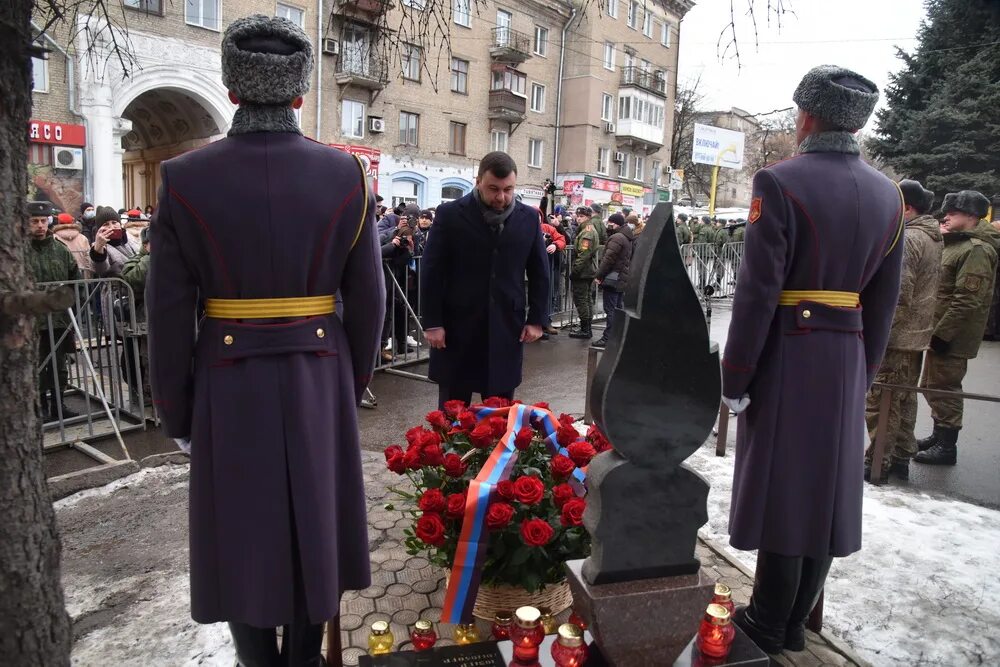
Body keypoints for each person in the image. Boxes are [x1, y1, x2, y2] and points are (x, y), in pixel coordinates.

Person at [146, 15, 384, 667]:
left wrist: (177, 409)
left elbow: (167, 315)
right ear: (301, 94)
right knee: (315, 528)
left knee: (239, 537)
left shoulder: (182, 178)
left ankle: (255, 658)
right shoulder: (347, 175)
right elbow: (369, 301)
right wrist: (349, 380)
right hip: (319, 377)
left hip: (227, 383)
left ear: (232, 90)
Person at [720, 65, 904, 655]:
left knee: (784, 486)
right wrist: (863, 371)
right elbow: (883, 302)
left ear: (806, 116)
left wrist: (737, 374)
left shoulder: (779, 181)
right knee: (823, 490)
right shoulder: (888, 195)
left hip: (787, 355)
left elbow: (756, 293)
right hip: (847, 355)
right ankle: (795, 621)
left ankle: (769, 621)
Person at [420, 151, 549, 407]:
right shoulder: (450, 214)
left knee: (499, 416)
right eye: (493, 189)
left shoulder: (528, 219)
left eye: (508, 189)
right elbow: (432, 270)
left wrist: (537, 319)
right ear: (478, 181)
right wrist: (432, 322)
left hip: (505, 327)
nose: (501, 197)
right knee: (452, 416)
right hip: (457, 329)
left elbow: (540, 272)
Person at [862, 180, 942, 482]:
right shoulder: (931, 236)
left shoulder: (908, 238)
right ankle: (900, 458)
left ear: (906, 208)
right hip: (916, 335)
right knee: (904, 399)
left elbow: (898, 292)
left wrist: (877, 331)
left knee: (881, 399)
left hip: (895, 336)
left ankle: (877, 461)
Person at [914, 190, 999, 466]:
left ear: (972, 216)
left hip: (951, 336)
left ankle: (947, 447)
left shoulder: (976, 250)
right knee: (931, 385)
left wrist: (942, 334)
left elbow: (968, 299)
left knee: (945, 388)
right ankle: (940, 436)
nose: (946, 216)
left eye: (953, 212)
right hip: (940, 330)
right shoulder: (957, 244)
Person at [27, 202, 82, 420]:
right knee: (37, 366)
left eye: (43, 221)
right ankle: (39, 406)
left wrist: (75, 310)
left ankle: (59, 405)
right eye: (34, 221)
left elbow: (75, 281)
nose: (40, 226)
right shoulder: (18, 252)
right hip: (31, 322)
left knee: (59, 366)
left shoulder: (61, 250)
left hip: (59, 320)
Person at [593, 212, 633, 348]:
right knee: (617, 309)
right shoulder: (627, 236)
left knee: (610, 310)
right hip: (621, 278)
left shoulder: (617, 237)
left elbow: (608, 259)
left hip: (612, 278)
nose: (608, 225)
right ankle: (617, 337)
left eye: (609, 223)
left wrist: (598, 275)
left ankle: (608, 338)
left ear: (615, 223)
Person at [568, 206, 601, 340]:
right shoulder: (587, 229)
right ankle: (586, 327)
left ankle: (585, 329)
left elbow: (584, 253)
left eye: (582, 216)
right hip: (587, 270)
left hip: (583, 271)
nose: (578, 218)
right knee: (586, 299)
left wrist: (575, 270)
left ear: (588, 217)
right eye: (578, 215)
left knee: (582, 299)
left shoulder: (587, 231)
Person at [539, 211, 567, 338]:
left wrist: (555, 245)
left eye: (539, 216)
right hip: (530, 267)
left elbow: (562, 239)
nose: (537, 218)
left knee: (548, 294)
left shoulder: (547, 228)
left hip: (547, 266)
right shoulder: (524, 226)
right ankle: (536, 324)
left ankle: (546, 322)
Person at [53, 212, 93, 278]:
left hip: (61, 277)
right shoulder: (82, 238)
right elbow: (87, 258)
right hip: (81, 275)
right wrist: (88, 276)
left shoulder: (53, 238)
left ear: (59, 222)